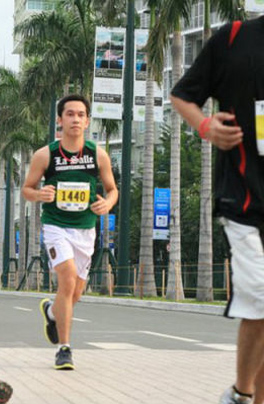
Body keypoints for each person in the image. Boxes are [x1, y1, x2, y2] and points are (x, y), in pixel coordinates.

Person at [170, 15, 264, 404]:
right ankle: (242, 394)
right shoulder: (235, 38)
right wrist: (206, 126)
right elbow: (182, 95)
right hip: (245, 198)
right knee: (260, 297)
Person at [22, 94, 118, 370]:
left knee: (75, 292)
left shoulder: (97, 154)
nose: (75, 119)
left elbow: (112, 190)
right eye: (70, 114)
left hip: (85, 230)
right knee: (66, 280)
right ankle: (64, 349)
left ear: (87, 121)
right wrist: (40, 194)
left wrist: (107, 203)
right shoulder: (45, 155)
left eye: (80, 114)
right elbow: (27, 189)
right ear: (60, 120)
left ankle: (52, 312)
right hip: (56, 227)